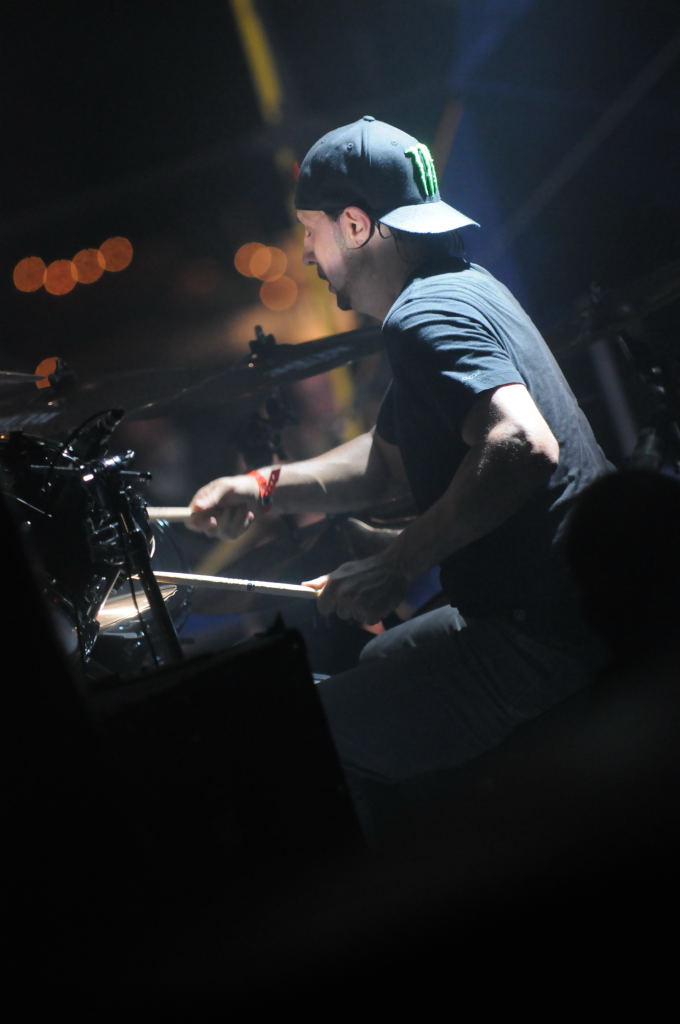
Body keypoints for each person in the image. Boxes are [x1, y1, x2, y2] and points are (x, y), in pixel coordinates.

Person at [187, 115, 612, 838]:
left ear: (355, 225)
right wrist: (263, 485)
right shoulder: (465, 286)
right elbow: (386, 462)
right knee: (382, 653)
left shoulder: (424, 318)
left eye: (311, 230)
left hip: (540, 636)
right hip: (583, 596)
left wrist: (397, 564)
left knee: (305, 738)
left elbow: (521, 443)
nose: (307, 252)